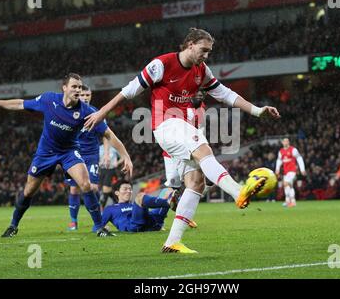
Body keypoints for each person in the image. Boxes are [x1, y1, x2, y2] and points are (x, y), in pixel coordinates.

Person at [85, 28, 280, 253]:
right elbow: (128, 91)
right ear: (190, 45)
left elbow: (225, 94)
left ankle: (172, 242)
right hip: (166, 125)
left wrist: (257, 111)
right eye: (203, 50)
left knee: (196, 183)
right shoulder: (162, 64)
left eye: (209, 52)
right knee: (204, 149)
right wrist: (101, 113)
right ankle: (238, 192)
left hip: (183, 127)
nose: (206, 56)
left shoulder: (201, 70)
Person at [0, 73, 132, 238]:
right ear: (64, 88)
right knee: (29, 191)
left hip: (69, 152)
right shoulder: (49, 100)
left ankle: (99, 227)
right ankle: (13, 225)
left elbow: (109, 134)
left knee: (86, 184)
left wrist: (126, 156)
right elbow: (20, 104)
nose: (78, 90)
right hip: (45, 153)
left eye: (80, 87)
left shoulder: (86, 111)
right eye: (74, 86)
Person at [65, 84, 132, 231]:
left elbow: (106, 135)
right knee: (74, 189)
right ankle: (73, 221)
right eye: (82, 95)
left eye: (88, 95)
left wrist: (107, 154)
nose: (85, 97)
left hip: (91, 154)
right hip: (73, 153)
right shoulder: (69, 111)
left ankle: (98, 220)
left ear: (91, 96)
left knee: (93, 187)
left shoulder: (96, 112)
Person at [101, 180, 176, 232]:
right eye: (125, 189)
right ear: (117, 192)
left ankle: (174, 205)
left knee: (168, 190)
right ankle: (170, 203)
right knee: (140, 196)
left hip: (152, 222)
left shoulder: (134, 204)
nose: (128, 191)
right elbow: (97, 226)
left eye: (130, 189)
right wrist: (104, 229)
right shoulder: (110, 208)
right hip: (133, 225)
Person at [275, 138, 306, 207]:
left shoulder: (293, 150)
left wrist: (302, 169)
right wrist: (277, 169)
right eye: (284, 141)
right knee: (289, 185)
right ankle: (291, 201)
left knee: (286, 183)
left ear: (289, 142)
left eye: (287, 141)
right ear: (282, 142)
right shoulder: (281, 151)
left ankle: (289, 200)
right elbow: (279, 160)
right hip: (285, 172)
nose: (285, 142)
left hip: (292, 171)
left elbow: (299, 158)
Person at [98, 143, 122, 212]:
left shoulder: (114, 148)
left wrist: (117, 163)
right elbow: (95, 158)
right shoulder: (100, 148)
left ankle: (101, 209)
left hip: (111, 170)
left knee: (105, 188)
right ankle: (118, 203)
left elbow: (123, 157)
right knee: (107, 190)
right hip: (102, 170)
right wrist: (98, 163)